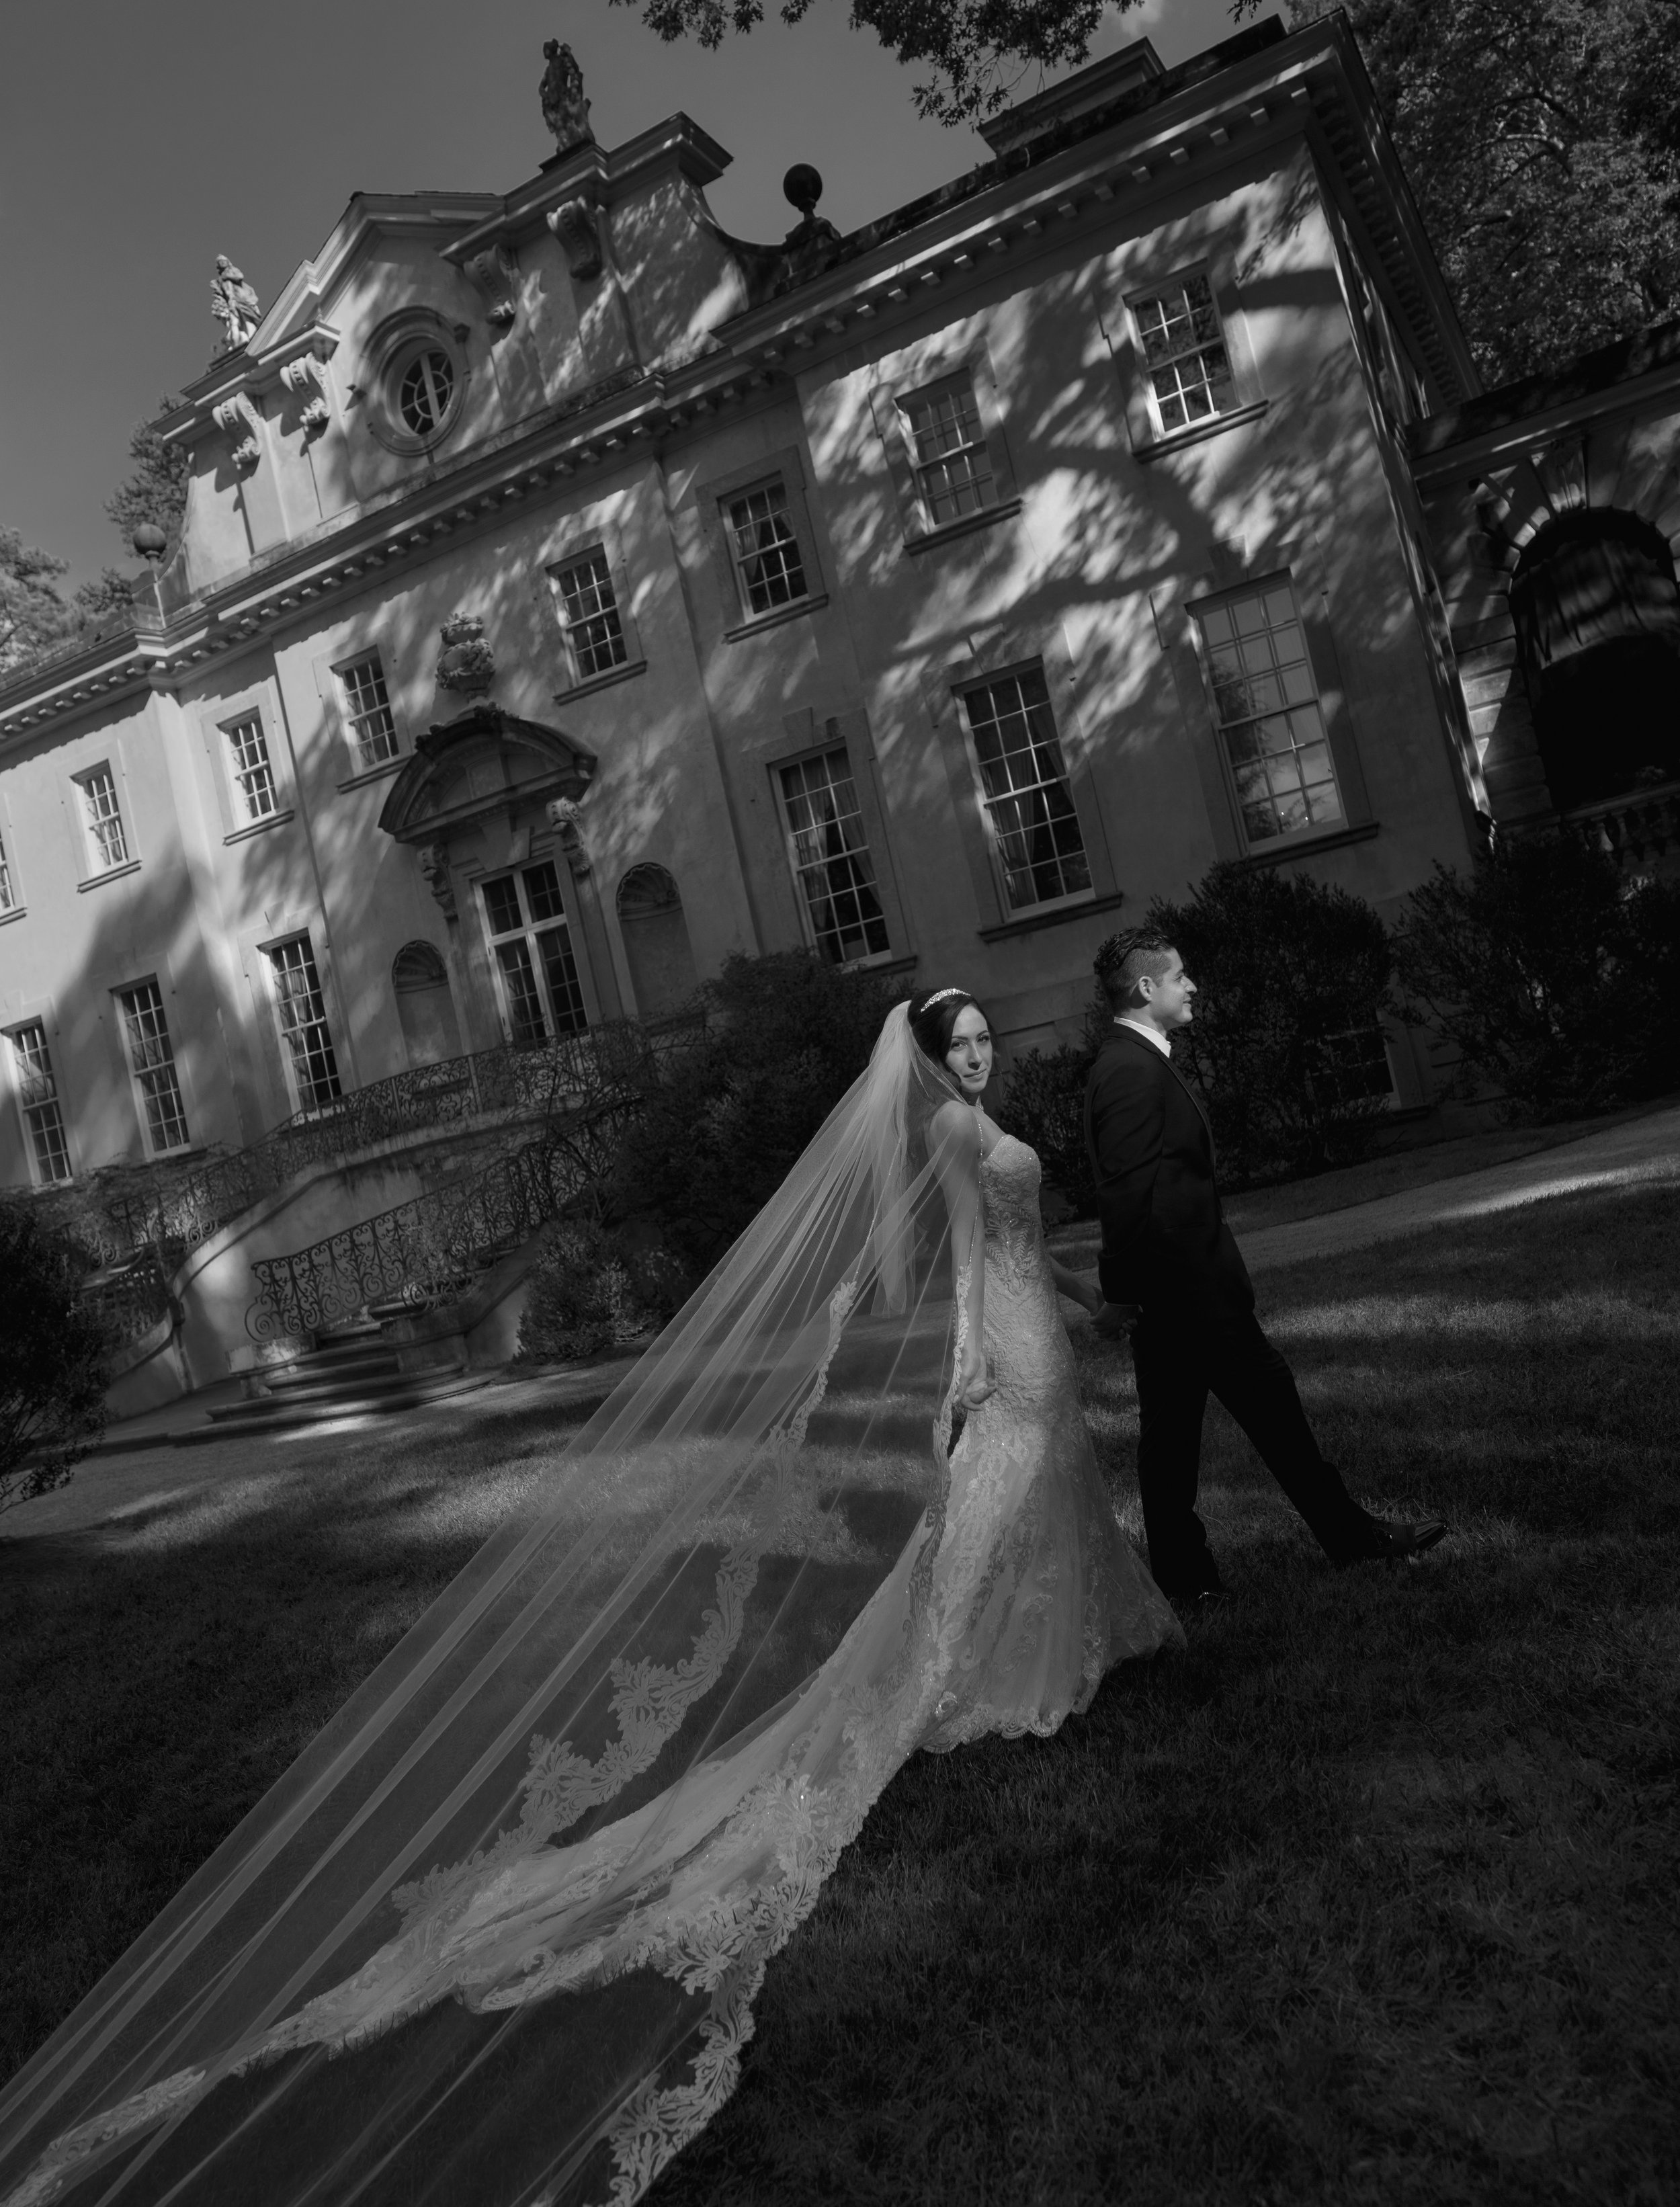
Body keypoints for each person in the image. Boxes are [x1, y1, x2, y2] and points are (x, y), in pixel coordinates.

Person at [0, 992, 1177, 2207]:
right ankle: (973, 1663)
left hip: (1048, 1323)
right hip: (1008, 1348)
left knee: (1040, 1498)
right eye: (964, 1044)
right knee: (1000, 1499)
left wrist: (1087, 1303)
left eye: (986, 1040)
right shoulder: (949, 1135)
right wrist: (964, 1362)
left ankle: (1061, 1627)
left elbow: (1027, 1246)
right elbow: (972, 1258)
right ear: (931, 1064)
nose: (980, 1055)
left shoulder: (981, 1120)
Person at [1083, 935, 1447, 1603]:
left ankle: (1186, 1579)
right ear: (1144, 989)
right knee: (1264, 1413)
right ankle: (1349, 1541)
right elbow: (1124, 1196)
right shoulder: (1128, 1071)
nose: (1191, 986)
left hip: (1181, 1294)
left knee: (1171, 1442)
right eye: (1180, 976)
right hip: (1189, 1297)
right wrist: (1122, 1296)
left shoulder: (1133, 1062)